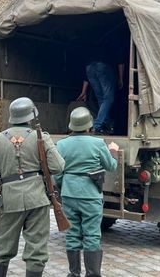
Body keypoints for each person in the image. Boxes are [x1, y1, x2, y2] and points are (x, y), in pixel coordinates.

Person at [0, 97, 65, 277]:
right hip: (37, 199)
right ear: (31, 116)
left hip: (10, 200)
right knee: (37, 251)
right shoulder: (41, 137)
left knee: (2, 249)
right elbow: (58, 166)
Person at [54, 107, 119, 277]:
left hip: (68, 195)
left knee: (72, 234)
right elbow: (111, 166)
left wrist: (65, 187)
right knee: (91, 235)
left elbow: (57, 174)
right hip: (90, 196)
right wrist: (113, 151)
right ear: (89, 125)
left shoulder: (61, 144)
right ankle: (92, 274)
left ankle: (74, 273)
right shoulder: (97, 143)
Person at [77, 59, 124, 134]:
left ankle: (108, 124)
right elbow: (120, 60)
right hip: (104, 65)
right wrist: (121, 79)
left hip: (89, 68)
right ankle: (96, 126)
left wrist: (84, 91)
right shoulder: (109, 47)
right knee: (108, 99)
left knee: (101, 99)